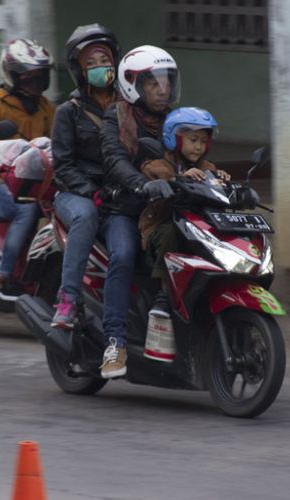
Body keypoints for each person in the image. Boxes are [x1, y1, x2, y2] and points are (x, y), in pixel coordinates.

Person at [97, 45, 181, 378]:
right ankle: (114, 342)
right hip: (125, 208)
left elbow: (192, 152)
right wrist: (141, 184)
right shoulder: (115, 117)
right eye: (154, 83)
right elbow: (114, 160)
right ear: (134, 84)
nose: (163, 89)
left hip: (165, 207)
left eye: (167, 82)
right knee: (123, 256)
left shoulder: (175, 118)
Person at [50, 23, 121, 329]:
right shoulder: (69, 112)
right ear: (79, 70)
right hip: (75, 193)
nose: (99, 68)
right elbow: (62, 165)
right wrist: (89, 190)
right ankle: (67, 299)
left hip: (117, 190)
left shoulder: (127, 106)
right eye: (90, 63)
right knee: (87, 216)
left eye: (104, 60)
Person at [0, 39, 55, 291]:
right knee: (27, 210)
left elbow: (57, 142)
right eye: (28, 78)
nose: (35, 84)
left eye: (39, 77)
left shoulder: (45, 108)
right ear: (13, 77)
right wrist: (10, 164)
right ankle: (5, 274)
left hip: (37, 184)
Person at [138, 107, 230, 318]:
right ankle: (163, 293)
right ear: (174, 138)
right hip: (161, 224)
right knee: (171, 233)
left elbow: (215, 182)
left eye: (203, 141)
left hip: (196, 226)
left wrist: (222, 179)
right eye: (193, 140)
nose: (199, 146)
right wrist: (179, 179)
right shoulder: (158, 165)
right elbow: (159, 179)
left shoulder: (207, 166)